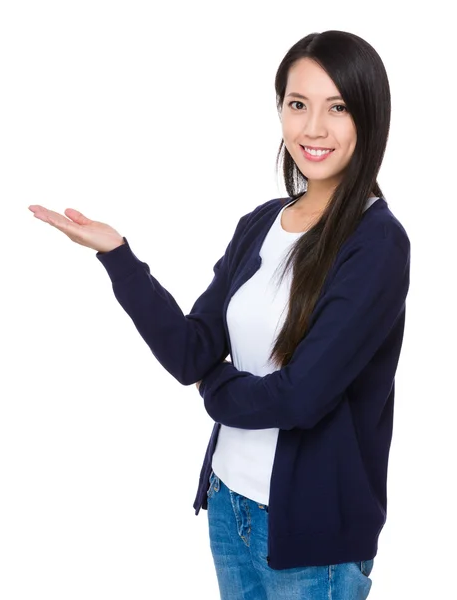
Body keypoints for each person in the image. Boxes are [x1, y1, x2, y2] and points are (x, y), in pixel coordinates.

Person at [28, 29, 410, 600]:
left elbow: (302, 396)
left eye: (338, 108)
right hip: (230, 504)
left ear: (369, 117)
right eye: (297, 105)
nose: (313, 129)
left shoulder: (377, 242)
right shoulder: (262, 222)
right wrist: (118, 258)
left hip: (313, 541)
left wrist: (216, 390)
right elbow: (192, 351)